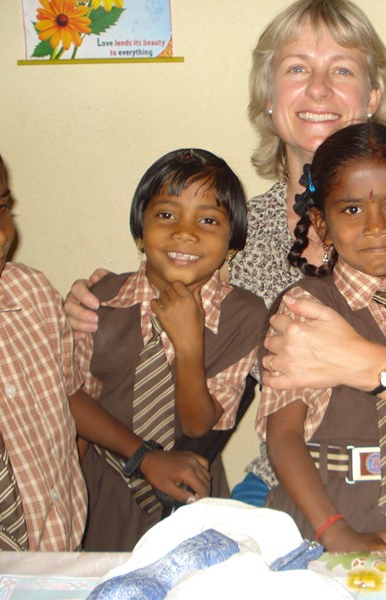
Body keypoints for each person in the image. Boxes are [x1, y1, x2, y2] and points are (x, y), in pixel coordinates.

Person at [63, 0, 386, 502]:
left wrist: (362, 361)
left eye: (342, 69)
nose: (319, 89)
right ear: (268, 96)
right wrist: (94, 309)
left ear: (373, 96)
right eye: (297, 68)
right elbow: (168, 317)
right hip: (292, 480)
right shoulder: (237, 235)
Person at [259, 123, 386, 552]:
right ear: (320, 220)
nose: (376, 226)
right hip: (318, 525)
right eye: (352, 210)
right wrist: (335, 531)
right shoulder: (303, 310)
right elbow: (283, 437)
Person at [69, 148, 266, 551]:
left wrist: (189, 345)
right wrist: (142, 457)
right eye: (166, 215)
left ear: (232, 244)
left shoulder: (244, 314)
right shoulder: (99, 299)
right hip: (102, 485)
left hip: (190, 494)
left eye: (208, 220)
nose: (185, 232)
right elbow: (72, 398)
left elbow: (199, 425)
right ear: (139, 232)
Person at [0, 115, 87, 551]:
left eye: (0, 207)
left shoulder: (28, 293)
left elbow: (68, 398)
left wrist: (140, 454)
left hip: (55, 554)